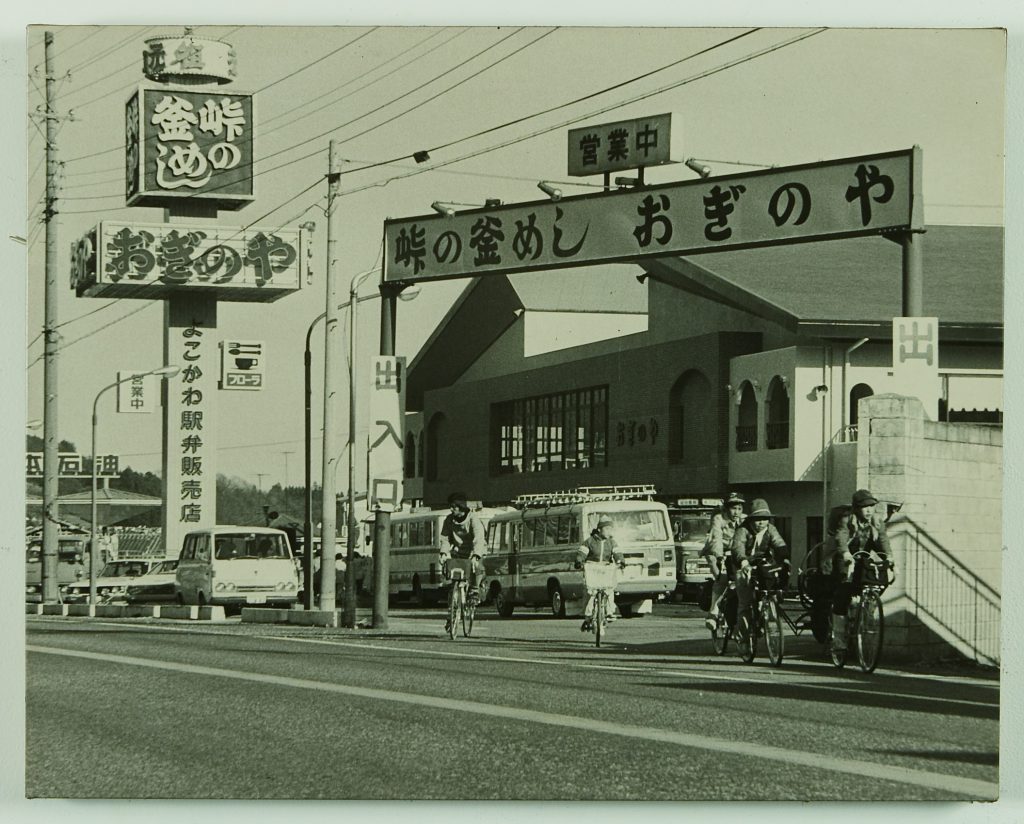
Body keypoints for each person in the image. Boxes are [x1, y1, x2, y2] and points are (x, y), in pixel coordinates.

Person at [828, 489, 891, 652]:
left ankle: (865, 613)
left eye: (871, 506)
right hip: (845, 558)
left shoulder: (877, 522)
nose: (869, 510)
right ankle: (839, 638)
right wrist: (846, 553)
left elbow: (883, 541)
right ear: (856, 508)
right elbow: (841, 538)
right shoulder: (847, 520)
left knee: (876, 582)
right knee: (843, 593)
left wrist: (889, 558)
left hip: (863, 560)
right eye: (865, 507)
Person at [729, 498, 790, 643]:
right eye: (757, 519)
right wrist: (743, 562)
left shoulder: (770, 529)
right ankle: (741, 633)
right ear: (751, 520)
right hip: (743, 565)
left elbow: (779, 543)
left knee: (772, 588)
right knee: (745, 600)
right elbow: (738, 548)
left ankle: (765, 616)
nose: (761, 523)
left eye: (765, 519)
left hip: (763, 565)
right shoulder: (742, 530)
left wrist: (785, 558)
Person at [439, 493, 487, 631]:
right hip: (458, 551)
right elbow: (445, 538)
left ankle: (474, 590)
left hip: (473, 551)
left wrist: (476, 555)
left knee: (477, 567)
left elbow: (478, 537)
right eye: (451, 507)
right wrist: (443, 553)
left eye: (454, 507)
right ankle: (451, 614)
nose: (452, 510)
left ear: (461, 507)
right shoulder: (449, 520)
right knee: (452, 582)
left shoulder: (473, 519)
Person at [700, 492, 746, 631]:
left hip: (735, 553)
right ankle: (713, 612)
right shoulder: (718, 519)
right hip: (716, 552)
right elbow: (716, 539)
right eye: (733, 508)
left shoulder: (745, 520)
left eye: (739, 508)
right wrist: (719, 557)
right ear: (726, 508)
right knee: (722, 578)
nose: (736, 512)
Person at [576, 518, 623, 632]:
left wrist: (621, 561)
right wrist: (579, 561)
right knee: (589, 592)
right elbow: (582, 553)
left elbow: (618, 554)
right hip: (592, 568)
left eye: (610, 529)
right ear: (599, 529)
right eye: (606, 528)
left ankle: (610, 612)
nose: (609, 531)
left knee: (609, 590)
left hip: (606, 569)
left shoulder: (612, 542)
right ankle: (587, 617)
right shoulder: (590, 541)